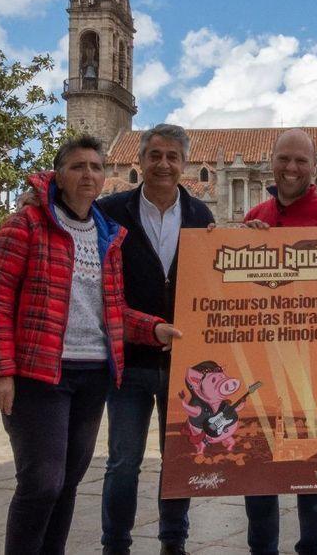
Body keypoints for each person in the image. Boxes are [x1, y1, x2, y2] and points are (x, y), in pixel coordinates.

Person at [0, 135, 181, 555]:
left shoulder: (107, 234)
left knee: (68, 482)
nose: (88, 174)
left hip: (93, 374)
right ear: (59, 174)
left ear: (105, 176)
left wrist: (154, 328)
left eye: (95, 166)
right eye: (77, 166)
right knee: (41, 482)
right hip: (41, 372)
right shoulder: (26, 225)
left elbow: (112, 311)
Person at [98, 124, 214, 555]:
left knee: (178, 459)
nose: (163, 164)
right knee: (123, 463)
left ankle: (173, 541)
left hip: (183, 363)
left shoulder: (202, 216)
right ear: (140, 161)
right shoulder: (110, 212)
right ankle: (115, 544)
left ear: (184, 165)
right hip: (129, 360)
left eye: (172, 157)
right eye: (155, 155)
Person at [233, 128, 317, 554]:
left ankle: (312, 548)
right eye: (284, 159)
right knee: (257, 471)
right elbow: (238, 292)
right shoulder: (254, 217)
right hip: (262, 364)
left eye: (301, 160)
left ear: (314, 167)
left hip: (312, 368)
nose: (291, 168)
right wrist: (240, 246)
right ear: (271, 162)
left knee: (313, 469)